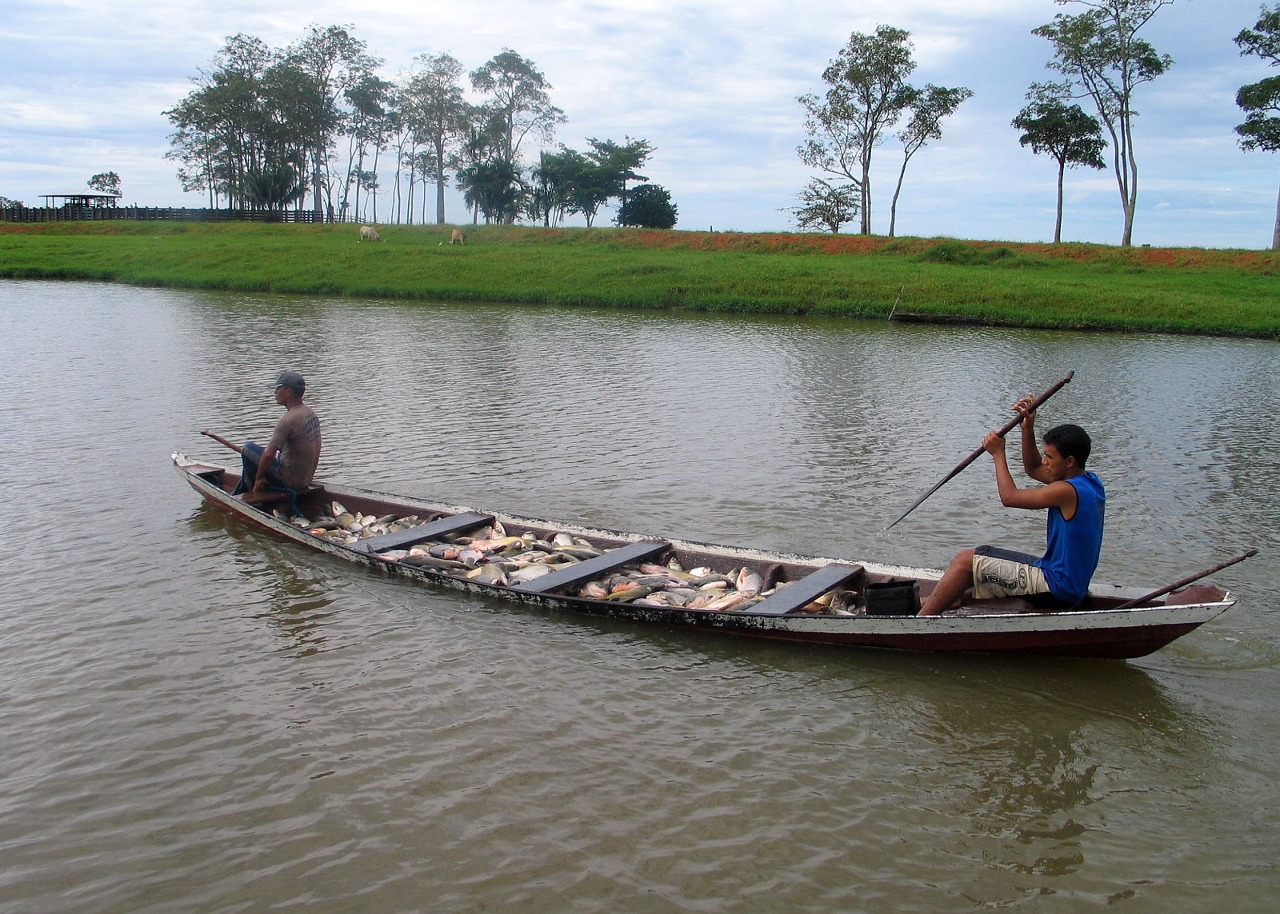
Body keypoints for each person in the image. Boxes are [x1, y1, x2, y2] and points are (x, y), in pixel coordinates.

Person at [917, 396, 1105, 616]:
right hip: (1064, 578)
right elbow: (1033, 468)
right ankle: (949, 598)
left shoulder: (1065, 491)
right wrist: (1027, 428)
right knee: (975, 556)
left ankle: (918, 624)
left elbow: (1009, 497)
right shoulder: (1091, 482)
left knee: (964, 562)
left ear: (1070, 461)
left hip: (1058, 585)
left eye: (1049, 456)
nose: (1044, 461)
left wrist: (998, 453)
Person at [231, 370, 322, 502]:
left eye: (278, 389)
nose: (275, 393)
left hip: (291, 481)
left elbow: (268, 454)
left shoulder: (287, 421)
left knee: (248, 448)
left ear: (288, 392)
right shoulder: (310, 413)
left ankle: (246, 492)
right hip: (306, 478)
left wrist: (259, 477)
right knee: (267, 454)